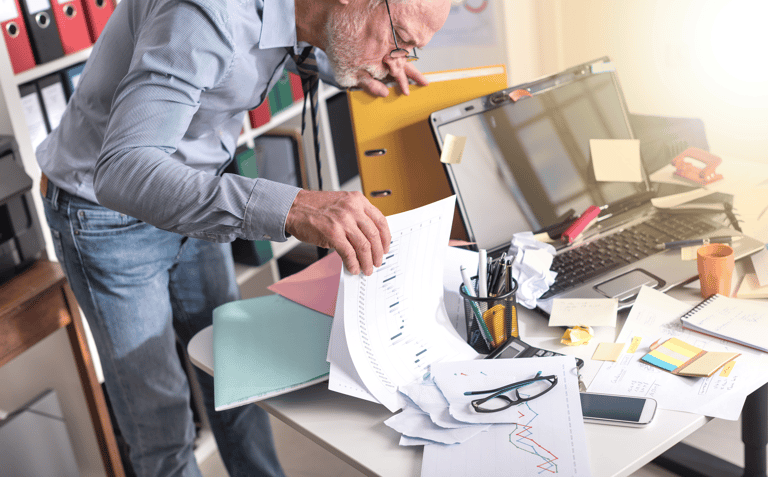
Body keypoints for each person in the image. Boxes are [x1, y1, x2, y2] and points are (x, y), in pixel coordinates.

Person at [35, 0, 451, 474]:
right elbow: (123, 171)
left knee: (235, 379)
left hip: (194, 189)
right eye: (401, 41)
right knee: (163, 425)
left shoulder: (307, 10)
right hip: (106, 212)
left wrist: (353, 64)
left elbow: (282, 37)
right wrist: (292, 207)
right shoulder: (202, 14)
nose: (400, 57)